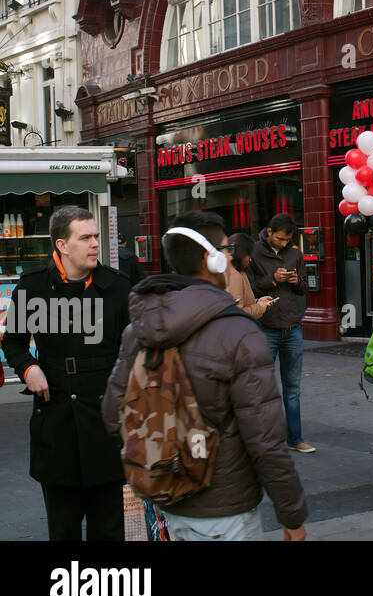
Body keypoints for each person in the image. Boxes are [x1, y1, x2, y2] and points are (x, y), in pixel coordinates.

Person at [102, 211, 308, 541]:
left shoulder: (137, 330)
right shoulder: (240, 334)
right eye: (226, 251)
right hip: (224, 510)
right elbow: (265, 441)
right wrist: (292, 516)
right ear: (212, 260)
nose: (231, 258)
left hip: (161, 506)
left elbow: (114, 417)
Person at [1, 207, 132, 541]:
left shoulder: (117, 288)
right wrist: (28, 368)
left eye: (95, 237)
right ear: (62, 245)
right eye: (85, 237)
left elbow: (134, 352)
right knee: (62, 528)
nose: (94, 244)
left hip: (106, 420)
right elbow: (14, 343)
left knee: (109, 529)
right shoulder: (32, 288)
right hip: (55, 418)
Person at [247, 214, 314, 453]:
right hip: (266, 328)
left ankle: (295, 438)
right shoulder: (254, 252)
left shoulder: (295, 253)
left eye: (288, 240)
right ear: (269, 232)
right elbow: (249, 289)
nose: (284, 244)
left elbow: (305, 288)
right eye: (280, 239)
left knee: (292, 388)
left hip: (293, 327)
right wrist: (273, 280)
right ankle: (264, 441)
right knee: (263, 387)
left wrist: (296, 280)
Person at [224, 232, 273, 320]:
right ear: (241, 254)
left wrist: (258, 302)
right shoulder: (235, 275)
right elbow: (236, 314)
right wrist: (260, 307)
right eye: (249, 255)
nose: (250, 260)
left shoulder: (238, 272)